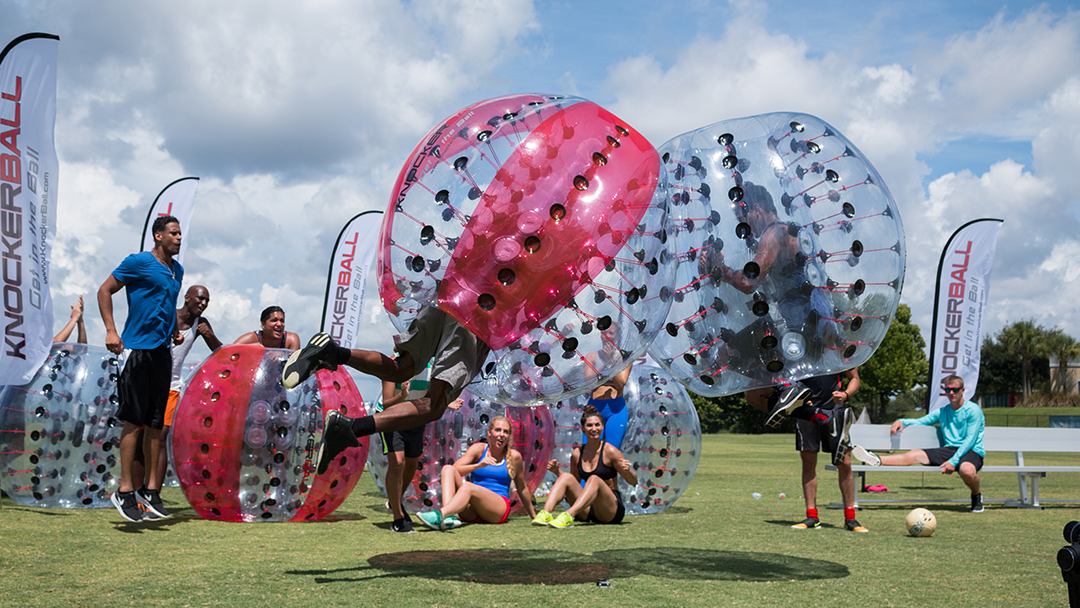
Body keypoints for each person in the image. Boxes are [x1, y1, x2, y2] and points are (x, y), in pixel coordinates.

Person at [281, 305, 491, 476]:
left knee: (401, 368)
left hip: (445, 295)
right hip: (480, 310)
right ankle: (348, 428)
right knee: (435, 404)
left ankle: (332, 352)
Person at [98, 215, 184, 522]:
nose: (179, 238)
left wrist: (174, 328)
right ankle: (123, 491)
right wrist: (111, 331)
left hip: (162, 353)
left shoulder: (177, 270)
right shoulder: (138, 262)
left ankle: (150, 491)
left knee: (156, 425)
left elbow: (168, 302)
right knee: (134, 422)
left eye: (180, 234)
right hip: (136, 350)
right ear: (158, 236)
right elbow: (104, 290)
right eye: (174, 233)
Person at [131, 285, 223, 500]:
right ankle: (135, 495)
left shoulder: (201, 324)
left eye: (206, 301)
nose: (203, 303)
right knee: (139, 438)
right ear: (187, 298)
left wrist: (209, 335)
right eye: (200, 299)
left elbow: (220, 352)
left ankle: (153, 494)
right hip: (146, 381)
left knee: (161, 436)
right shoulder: (166, 312)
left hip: (170, 386)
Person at [853, 374, 987, 513]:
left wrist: (953, 461)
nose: (951, 393)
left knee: (966, 471)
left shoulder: (973, 410)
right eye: (948, 390)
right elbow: (921, 421)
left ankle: (976, 496)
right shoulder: (943, 411)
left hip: (971, 450)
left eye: (955, 389)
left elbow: (970, 440)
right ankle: (877, 459)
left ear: (963, 390)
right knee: (915, 454)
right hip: (950, 449)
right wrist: (902, 421)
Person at [416, 415, 536, 531]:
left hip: (497, 509)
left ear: (509, 436)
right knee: (448, 468)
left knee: (468, 486)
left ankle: (440, 514)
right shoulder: (479, 449)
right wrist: (478, 466)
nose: (501, 435)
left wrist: (534, 516)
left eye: (505, 432)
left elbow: (522, 487)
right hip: (472, 509)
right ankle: (449, 518)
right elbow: (455, 470)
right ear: (489, 432)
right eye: (498, 430)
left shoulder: (515, 456)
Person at [379, 371, 464, 534]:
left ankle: (394, 502)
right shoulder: (391, 367)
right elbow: (386, 404)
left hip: (414, 419)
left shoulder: (431, 368)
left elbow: (428, 399)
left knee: (411, 465)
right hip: (391, 418)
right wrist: (402, 396)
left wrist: (445, 403)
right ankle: (398, 518)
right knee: (397, 462)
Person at [782, 370, 865, 531]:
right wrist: (798, 398)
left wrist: (846, 395)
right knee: (808, 463)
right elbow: (787, 378)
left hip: (835, 411)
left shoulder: (840, 350)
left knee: (845, 462)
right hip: (806, 412)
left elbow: (855, 378)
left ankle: (850, 518)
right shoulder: (803, 348)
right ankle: (812, 517)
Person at [532, 404, 637, 528]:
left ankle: (569, 515)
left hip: (610, 511)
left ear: (602, 426)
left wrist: (628, 470)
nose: (594, 429)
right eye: (589, 425)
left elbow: (633, 482)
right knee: (566, 476)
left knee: (594, 479)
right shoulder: (577, 454)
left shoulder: (610, 451)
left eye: (597, 425)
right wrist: (557, 472)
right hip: (588, 509)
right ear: (582, 428)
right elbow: (572, 483)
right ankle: (546, 513)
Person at [234, 306, 301, 350]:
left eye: (282, 321)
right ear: (263, 324)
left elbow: (295, 366)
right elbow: (228, 350)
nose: (279, 324)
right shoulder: (252, 338)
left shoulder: (291, 340)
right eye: (274, 320)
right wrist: (250, 347)